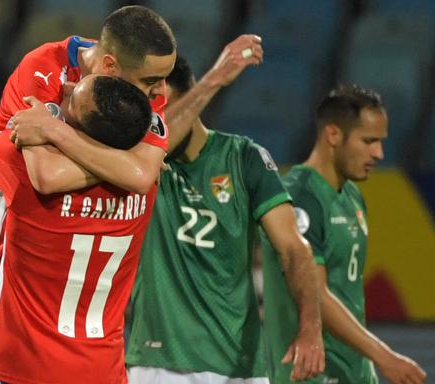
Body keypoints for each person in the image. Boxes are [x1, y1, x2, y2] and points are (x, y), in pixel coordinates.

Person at [124, 56, 325, 383]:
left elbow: (293, 249)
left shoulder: (244, 158)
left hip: (239, 367)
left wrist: (311, 328)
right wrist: (215, 78)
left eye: (155, 103)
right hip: (158, 363)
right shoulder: (136, 165)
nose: (150, 119)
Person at [0, 74, 152, 384]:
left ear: (80, 128)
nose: (66, 89)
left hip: (23, 368)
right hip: (101, 371)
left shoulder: (22, 169)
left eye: (73, 100)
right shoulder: (145, 185)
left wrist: (42, 124)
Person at [260, 84, 427, 384]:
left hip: (354, 371)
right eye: (369, 141)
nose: (379, 153)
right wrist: (383, 355)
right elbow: (316, 292)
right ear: (333, 135)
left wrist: (366, 364)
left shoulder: (352, 196)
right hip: (309, 372)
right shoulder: (299, 195)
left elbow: (346, 291)